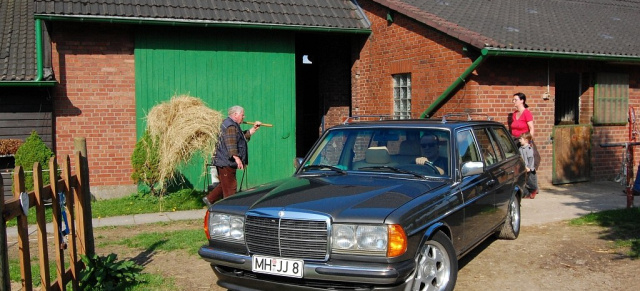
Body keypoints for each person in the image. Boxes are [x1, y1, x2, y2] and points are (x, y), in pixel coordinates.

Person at [203, 106, 261, 206]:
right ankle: (230, 207)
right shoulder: (230, 126)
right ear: (235, 115)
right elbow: (231, 143)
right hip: (226, 162)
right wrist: (237, 158)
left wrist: (253, 129)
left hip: (223, 161)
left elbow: (240, 137)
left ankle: (209, 199)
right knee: (230, 186)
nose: (244, 117)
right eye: (242, 115)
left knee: (224, 184)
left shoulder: (231, 125)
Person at [510, 92, 540, 170]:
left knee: (531, 159)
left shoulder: (527, 113)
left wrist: (529, 142)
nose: (513, 101)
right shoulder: (514, 114)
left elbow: (531, 128)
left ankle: (531, 178)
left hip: (524, 140)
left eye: (515, 100)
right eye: (513, 100)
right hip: (514, 140)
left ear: (522, 101)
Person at [519, 132, 538, 199]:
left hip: (529, 169)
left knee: (530, 182)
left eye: (521, 139)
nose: (519, 140)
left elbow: (530, 158)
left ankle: (533, 191)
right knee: (525, 182)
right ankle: (527, 194)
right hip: (524, 168)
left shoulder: (529, 148)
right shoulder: (520, 148)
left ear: (526, 140)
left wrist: (529, 167)